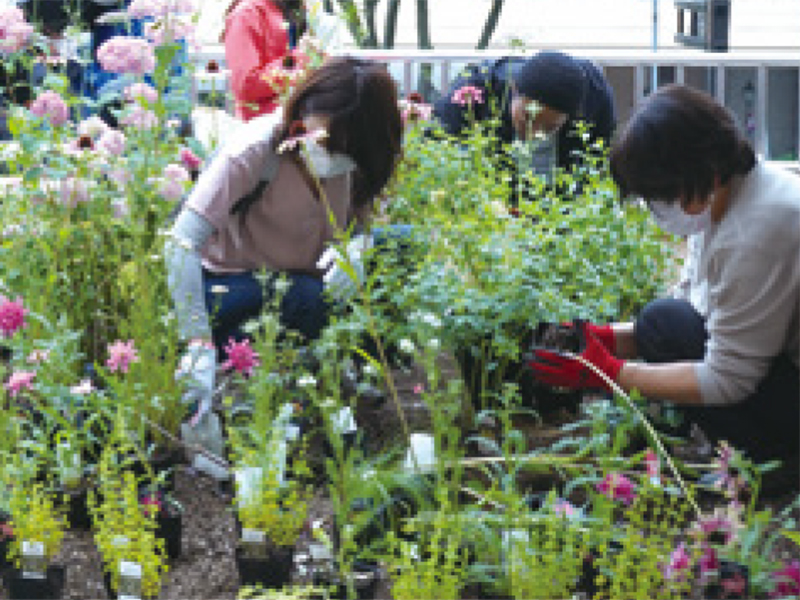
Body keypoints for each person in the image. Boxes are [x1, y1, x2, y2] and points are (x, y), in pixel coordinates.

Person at [527, 84, 799, 473]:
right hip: (781, 374)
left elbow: (730, 379)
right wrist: (606, 339)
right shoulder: (725, 197)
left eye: (659, 196)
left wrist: (611, 374)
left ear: (699, 173)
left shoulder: (758, 230)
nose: (657, 209)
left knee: (665, 323)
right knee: (661, 321)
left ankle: (775, 461)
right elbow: (691, 309)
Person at [165, 56, 403, 477]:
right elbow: (182, 242)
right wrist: (196, 343)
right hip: (233, 284)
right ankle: (257, 372)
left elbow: (362, 221)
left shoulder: (354, 160)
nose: (330, 156)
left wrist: (358, 252)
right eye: (325, 139)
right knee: (306, 301)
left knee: (402, 247)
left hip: (302, 283)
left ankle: (335, 383)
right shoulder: (256, 151)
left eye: (345, 152)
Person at [432, 50, 616, 181]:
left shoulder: (595, 97)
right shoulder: (476, 91)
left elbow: (598, 165)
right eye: (527, 118)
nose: (534, 134)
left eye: (549, 128)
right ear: (513, 89)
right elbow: (436, 147)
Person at [222, 0, 307, 121]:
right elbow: (245, 85)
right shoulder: (247, 13)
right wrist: (301, 59)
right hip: (265, 129)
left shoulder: (290, 9)